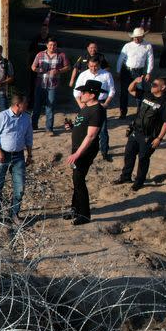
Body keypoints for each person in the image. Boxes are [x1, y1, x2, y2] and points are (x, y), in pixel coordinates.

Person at [113, 77, 166, 191]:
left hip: (149, 136)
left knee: (143, 159)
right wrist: (135, 81)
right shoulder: (147, 95)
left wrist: (159, 138)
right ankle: (125, 177)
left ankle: (139, 182)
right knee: (129, 154)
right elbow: (130, 90)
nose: (152, 86)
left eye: (154, 85)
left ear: (163, 87)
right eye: (152, 84)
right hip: (136, 131)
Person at [0, 93, 33, 225]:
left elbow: (29, 137)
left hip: (18, 156)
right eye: (25, 103)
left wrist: (29, 155)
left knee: (20, 186)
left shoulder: (26, 118)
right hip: (2, 155)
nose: (27, 105)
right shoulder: (2, 117)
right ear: (18, 105)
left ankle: (14, 213)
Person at [65, 80, 104, 225]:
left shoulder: (97, 111)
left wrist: (77, 154)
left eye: (84, 92)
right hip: (78, 149)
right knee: (76, 179)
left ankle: (85, 215)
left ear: (92, 95)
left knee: (79, 180)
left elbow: (91, 136)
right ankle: (75, 209)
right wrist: (72, 126)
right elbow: (82, 125)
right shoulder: (86, 107)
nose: (81, 94)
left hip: (85, 151)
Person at [70, 56, 116, 161]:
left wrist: (106, 104)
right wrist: (81, 105)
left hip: (100, 103)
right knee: (82, 128)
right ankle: (83, 149)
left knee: (103, 129)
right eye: (91, 66)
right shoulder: (83, 74)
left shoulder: (106, 74)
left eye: (95, 66)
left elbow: (112, 91)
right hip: (85, 104)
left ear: (99, 65)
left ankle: (104, 152)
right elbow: (76, 91)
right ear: (88, 65)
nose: (93, 68)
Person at [31, 37, 70, 134]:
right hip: (40, 83)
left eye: (54, 45)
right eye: (50, 45)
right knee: (37, 105)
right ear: (47, 45)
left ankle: (49, 128)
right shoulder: (40, 55)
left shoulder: (61, 55)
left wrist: (58, 71)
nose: (52, 47)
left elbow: (68, 67)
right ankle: (33, 126)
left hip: (53, 84)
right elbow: (33, 67)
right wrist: (38, 70)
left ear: (56, 45)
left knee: (50, 106)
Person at [116, 27, 154, 120]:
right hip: (126, 70)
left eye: (138, 37)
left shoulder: (148, 46)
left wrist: (148, 72)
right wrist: (118, 71)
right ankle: (123, 112)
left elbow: (150, 59)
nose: (136, 39)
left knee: (139, 92)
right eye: (134, 37)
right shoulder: (127, 45)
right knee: (124, 92)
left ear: (142, 36)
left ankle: (139, 112)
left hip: (139, 71)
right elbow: (121, 58)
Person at [27, 25, 50, 106]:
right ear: (41, 30)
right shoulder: (36, 39)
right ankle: (31, 102)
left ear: (48, 31)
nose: (44, 31)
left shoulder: (50, 39)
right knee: (33, 84)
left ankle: (44, 102)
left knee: (45, 84)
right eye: (43, 29)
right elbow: (30, 51)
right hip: (36, 66)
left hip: (47, 67)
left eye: (46, 30)